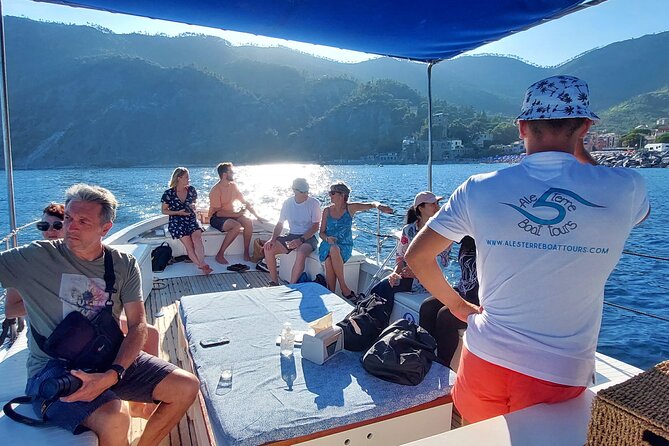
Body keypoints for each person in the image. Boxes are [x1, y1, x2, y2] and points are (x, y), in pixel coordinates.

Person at [406, 75, 650, 423]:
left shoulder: (478, 189)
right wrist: (580, 152)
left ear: (521, 127)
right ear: (584, 127)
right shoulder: (626, 187)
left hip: (484, 362)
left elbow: (418, 256)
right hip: (559, 375)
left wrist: (458, 305)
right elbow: (642, 216)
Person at [0, 184, 200, 445]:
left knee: (186, 387)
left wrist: (113, 373)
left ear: (106, 229)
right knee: (115, 417)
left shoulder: (122, 264)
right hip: (53, 367)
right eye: (69, 218)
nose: (71, 227)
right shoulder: (35, 257)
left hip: (106, 355)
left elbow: (138, 323)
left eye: (83, 221)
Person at [6, 203, 161, 358]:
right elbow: (10, 310)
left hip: (91, 319)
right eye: (43, 226)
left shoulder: (91, 259)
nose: (49, 231)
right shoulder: (30, 262)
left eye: (56, 225)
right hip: (54, 331)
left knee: (150, 334)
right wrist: (48, 298)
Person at [369, 191, 449, 304]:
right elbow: (400, 257)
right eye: (433, 204)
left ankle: (369, 319)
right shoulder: (408, 230)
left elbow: (442, 261)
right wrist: (395, 274)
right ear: (421, 208)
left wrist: (415, 273)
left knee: (384, 289)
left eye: (437, 203)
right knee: (379, 288)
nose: (437, 207)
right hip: (407, 278)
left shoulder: (443, 232)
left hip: (428, 282)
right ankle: (368, 319)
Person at [319, 182, 393, 300]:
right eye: (329, 193)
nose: (330, 196)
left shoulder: (350, 208)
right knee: (332, 249)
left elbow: (371, 204)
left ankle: (331, 293)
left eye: (332, 193)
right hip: (328, 244)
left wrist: (379, 206)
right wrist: (327, 238)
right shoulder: (326, 211)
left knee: (329, 259)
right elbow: (321, 233)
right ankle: (344, 289)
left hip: (345, 245)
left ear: (342, 195)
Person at [419, 235, 478, 366]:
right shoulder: (467, 239)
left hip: (481, 301)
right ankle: (424, 359)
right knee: (427, 307)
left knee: (446, 316)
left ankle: (442, 368)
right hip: (464, 291)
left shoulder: (490, 243)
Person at [263, 178, 321, 286]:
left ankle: (292, 285)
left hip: (309, 237)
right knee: (268, 249)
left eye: (307, 191)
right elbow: (280, 224)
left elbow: (315, 227)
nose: (306, 194)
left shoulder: (314, 203)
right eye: (303, 192)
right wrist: (273, 239)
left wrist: (301, 240)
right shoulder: (287, 203)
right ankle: (275, 282)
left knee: (301, 252)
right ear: (294, 190)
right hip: (292, 235)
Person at [208, 162, 264, 264]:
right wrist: (237, 215)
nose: (233, 173)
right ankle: (220, 254)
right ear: (225, 174)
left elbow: (245, 202)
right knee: (236, 226)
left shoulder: (233, 186)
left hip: (230, 214)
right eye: (231, 172)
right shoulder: (216, 190)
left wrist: (256, 215)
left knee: (248, 222)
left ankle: (246, 252)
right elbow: (218, 213)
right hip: (216, 217)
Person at [161, 167, 212, 275]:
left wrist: (193, 206)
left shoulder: (191, 190)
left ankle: (202, 263)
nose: (189, 179)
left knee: (197, 239)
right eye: (186, 177)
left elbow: (193, 203)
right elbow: (164, 211)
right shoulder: (168, 193)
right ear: (179, 178)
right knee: (189, 245)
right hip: (177, 222)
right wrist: (178, 212)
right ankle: (201, 266)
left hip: (191, 219)